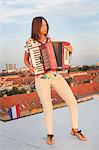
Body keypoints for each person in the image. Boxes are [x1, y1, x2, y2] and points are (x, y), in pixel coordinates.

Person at [24, 16, 87, 145]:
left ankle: (75, 129)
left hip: (55, 75)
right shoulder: (30, 42)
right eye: (42, 25)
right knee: (48, 107)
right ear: (36, 26)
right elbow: (26, 59)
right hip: (41, 78)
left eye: (46, 25)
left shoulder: (50, 41)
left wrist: (70, 51)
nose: (45, 28)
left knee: (72, 101)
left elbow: (62, 59)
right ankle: (50, 134)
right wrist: (30, 67)